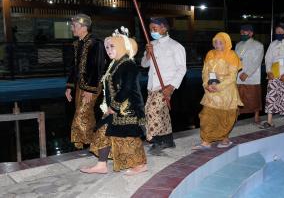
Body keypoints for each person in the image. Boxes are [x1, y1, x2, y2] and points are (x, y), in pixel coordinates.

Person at [80, 27, 147, 176]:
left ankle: (140, 164)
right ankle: (101, 165)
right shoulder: (115, 64)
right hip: (114, 109)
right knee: (102, 132)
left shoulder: (128, 64)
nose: (108, 50)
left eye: (112, 46)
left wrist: (114, 106)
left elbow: (127, 88)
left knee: (127, 138)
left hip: (127, 109)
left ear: (122, 46)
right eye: (107, 47)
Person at [141, 17, 186, 155]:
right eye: (150, 29)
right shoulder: (151, 44)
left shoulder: (176, 46)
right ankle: (168, 140)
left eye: (154, 29)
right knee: (162, 114)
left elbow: (182, 68)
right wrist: (148, 54)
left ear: (164, 28)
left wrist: (171, 87)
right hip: (152, 85)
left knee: (151, 111)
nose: (151, 31)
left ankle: (156, 140)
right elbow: (144, 64)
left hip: (165, 85)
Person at [193, 32, 243, 150]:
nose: (217, 44)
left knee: (225, 118)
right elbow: (205, 72)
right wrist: (206, 84)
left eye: (220, 42)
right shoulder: (210, 54)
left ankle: (225, 138)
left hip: (226, 92)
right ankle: (206, 141)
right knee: (206, 115)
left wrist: (219, 86)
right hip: (211, 92)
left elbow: (232, 77)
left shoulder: (232, 55)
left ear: (227, 43)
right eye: (215, 42)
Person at [65, 13, 107, 149]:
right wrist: (69, 87)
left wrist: (90, 89)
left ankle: (84, 143)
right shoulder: (77, 44)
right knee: (86, 113)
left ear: (83, 27)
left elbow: (98, 67)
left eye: (74, 26)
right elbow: (73, 67)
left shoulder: (96, 43)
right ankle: (91, 143)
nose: (72, 28)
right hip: (79, 86)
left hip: (92, 86)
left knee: (81, 113)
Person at [235, 24, 264, 125]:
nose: (242, 33)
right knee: (239, 96)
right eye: (241, 31)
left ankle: (256, 114)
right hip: (238, 75)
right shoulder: (238, 45)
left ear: (251, 33)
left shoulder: (258, 45)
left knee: (253, 96)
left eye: (245, 31)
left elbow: (257, 61)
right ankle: (237, 113)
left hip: (252, 76)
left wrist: (247, 73)